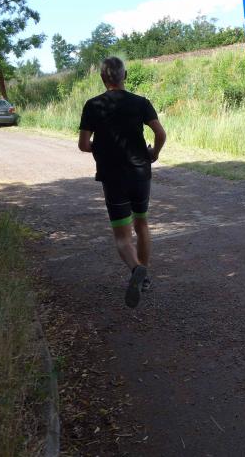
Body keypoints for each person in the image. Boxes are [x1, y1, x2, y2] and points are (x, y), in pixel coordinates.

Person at [78, 57, 166, 308]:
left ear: (103, 78)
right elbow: (160, 133)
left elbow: (83, 145)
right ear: (124, 76)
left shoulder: (93, 105)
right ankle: (144, 277)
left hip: (113, 176)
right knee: (142, 223)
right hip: (140, 173)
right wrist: (154, 153)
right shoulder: (141, 102)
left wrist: (102, 148)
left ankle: (137, 269)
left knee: (122, 237)